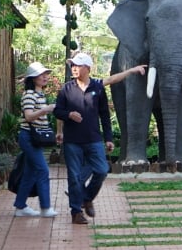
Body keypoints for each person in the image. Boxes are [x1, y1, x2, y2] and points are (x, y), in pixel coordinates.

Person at [53, 52, 146, 225]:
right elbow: (57, 111)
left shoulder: (97, 86)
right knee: (74, 177)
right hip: (72, 141)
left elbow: (104, 114)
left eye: (77, 65)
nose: (74, 68)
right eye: (72, 65)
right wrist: (69, 115)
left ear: (87, 68)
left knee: (102, 170)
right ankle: (76, 212)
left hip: (93, 139)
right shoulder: (66, 89)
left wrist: (108, 138)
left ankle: (87, 198)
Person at [13, 62, 58, 218]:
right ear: (33, 78)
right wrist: (46, 110)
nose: (45, 76)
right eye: (41, 74)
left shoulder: (40, 95)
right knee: (43, 170)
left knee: (31, 173)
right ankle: (45, 208)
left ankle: (20, 206)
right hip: (28, 137)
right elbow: (29, 116)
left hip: (34, 138)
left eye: (46, 74)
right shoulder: (29, 95)